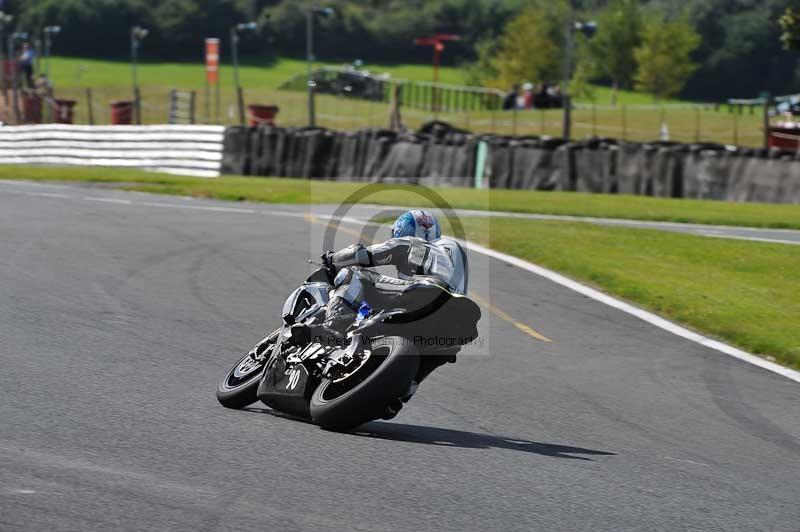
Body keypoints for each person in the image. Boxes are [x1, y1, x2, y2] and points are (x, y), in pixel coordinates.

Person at [299, 209, 469, 390]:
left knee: (355, 273)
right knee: (430, 357)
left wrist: (333, 259)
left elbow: (363, 255)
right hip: (459, 321)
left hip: (426, 293)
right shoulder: (452, 252)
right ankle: (406, 389)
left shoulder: (412, 242)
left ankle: (332, 327)